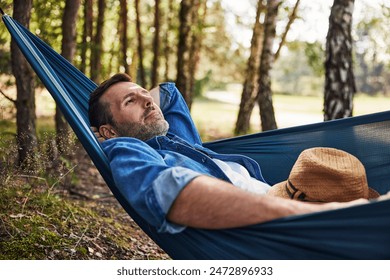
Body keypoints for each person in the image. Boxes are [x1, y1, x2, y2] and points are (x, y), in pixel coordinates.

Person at [88, 73, 370, 234]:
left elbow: (168, 92)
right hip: (289, 226)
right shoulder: (126, 147)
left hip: (302, 202)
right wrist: (315, 214)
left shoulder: (172, 139)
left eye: (144, 95)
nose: (148, 101)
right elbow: (168, 191)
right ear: (109, 131)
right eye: (130, 101)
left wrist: (137, 101)